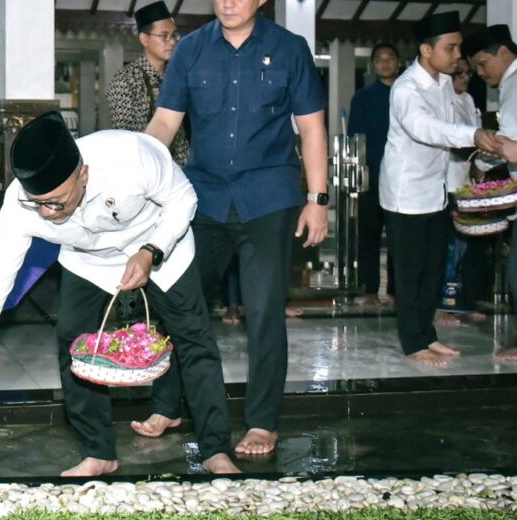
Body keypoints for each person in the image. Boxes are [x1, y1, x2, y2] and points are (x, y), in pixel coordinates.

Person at [0, 112, 239, 476]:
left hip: (160, 245)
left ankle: (216, 450)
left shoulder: (130, 156)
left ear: (83, 175)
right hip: (87, 260)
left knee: (194, 338)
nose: (46, 212)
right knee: (72, 343)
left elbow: (184, 198)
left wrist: (151, 251)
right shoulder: (19, 206)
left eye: (56, 202)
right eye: (37, 202)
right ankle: (99, 451)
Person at [143, 0, 328, 456]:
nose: (227, 2)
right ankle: (169, 405)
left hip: (268, 199)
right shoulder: (189, 50)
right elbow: (166, 122)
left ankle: (263, 422)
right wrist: (137, 172)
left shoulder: (290, 49)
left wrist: (318, 200)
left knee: (264, 311)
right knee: (179, 301)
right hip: (203, 198)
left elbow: (311, 128)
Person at [379, 12, 501, 368]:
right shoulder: (406, 88)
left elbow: (454, 128)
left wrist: (484, 141)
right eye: (451, 48)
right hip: (406, 194)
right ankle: (412, 341)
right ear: (426, 50)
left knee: (433, 269)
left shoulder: (445, 83)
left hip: (437, 189)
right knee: (410, 271)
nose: (458, 55)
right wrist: (473, 136)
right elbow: (426, 129)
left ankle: (427, 333)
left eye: (459, 47)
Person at [462, 24, 517, 363]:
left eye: (483, 64)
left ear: (504, 52)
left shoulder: (516, 83)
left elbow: (509, 140)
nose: (481, 73)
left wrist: (480, 160)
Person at [105, 1, 189, 166]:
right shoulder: (125, 81)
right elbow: (128, 139)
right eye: (164, 36)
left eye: (174, 35)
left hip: (184, 172)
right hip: (148, 171)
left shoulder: (178, 76)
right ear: (144, 39)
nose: (171, 42)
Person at [435, 57, 486, 326]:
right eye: (460, 73)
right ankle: (442, 304)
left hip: (467, 184)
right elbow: (453, 140)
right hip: (446, 183)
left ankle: (464, 302)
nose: (465, 78)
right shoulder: (442, 101)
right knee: (449, 247)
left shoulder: (468, 101)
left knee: (467, 246)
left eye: (468, 74)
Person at [348, 43, 400, 306]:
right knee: (368, 234)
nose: (385, 63)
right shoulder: (363, 97)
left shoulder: (407, 94)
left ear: (398, 63)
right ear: (373, 65)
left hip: (403, 179)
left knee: (398, 236)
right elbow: (355, 137)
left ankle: (395, 290)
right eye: (379, 59)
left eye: (390, 58)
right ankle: (369, 290)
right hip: (372, 176)